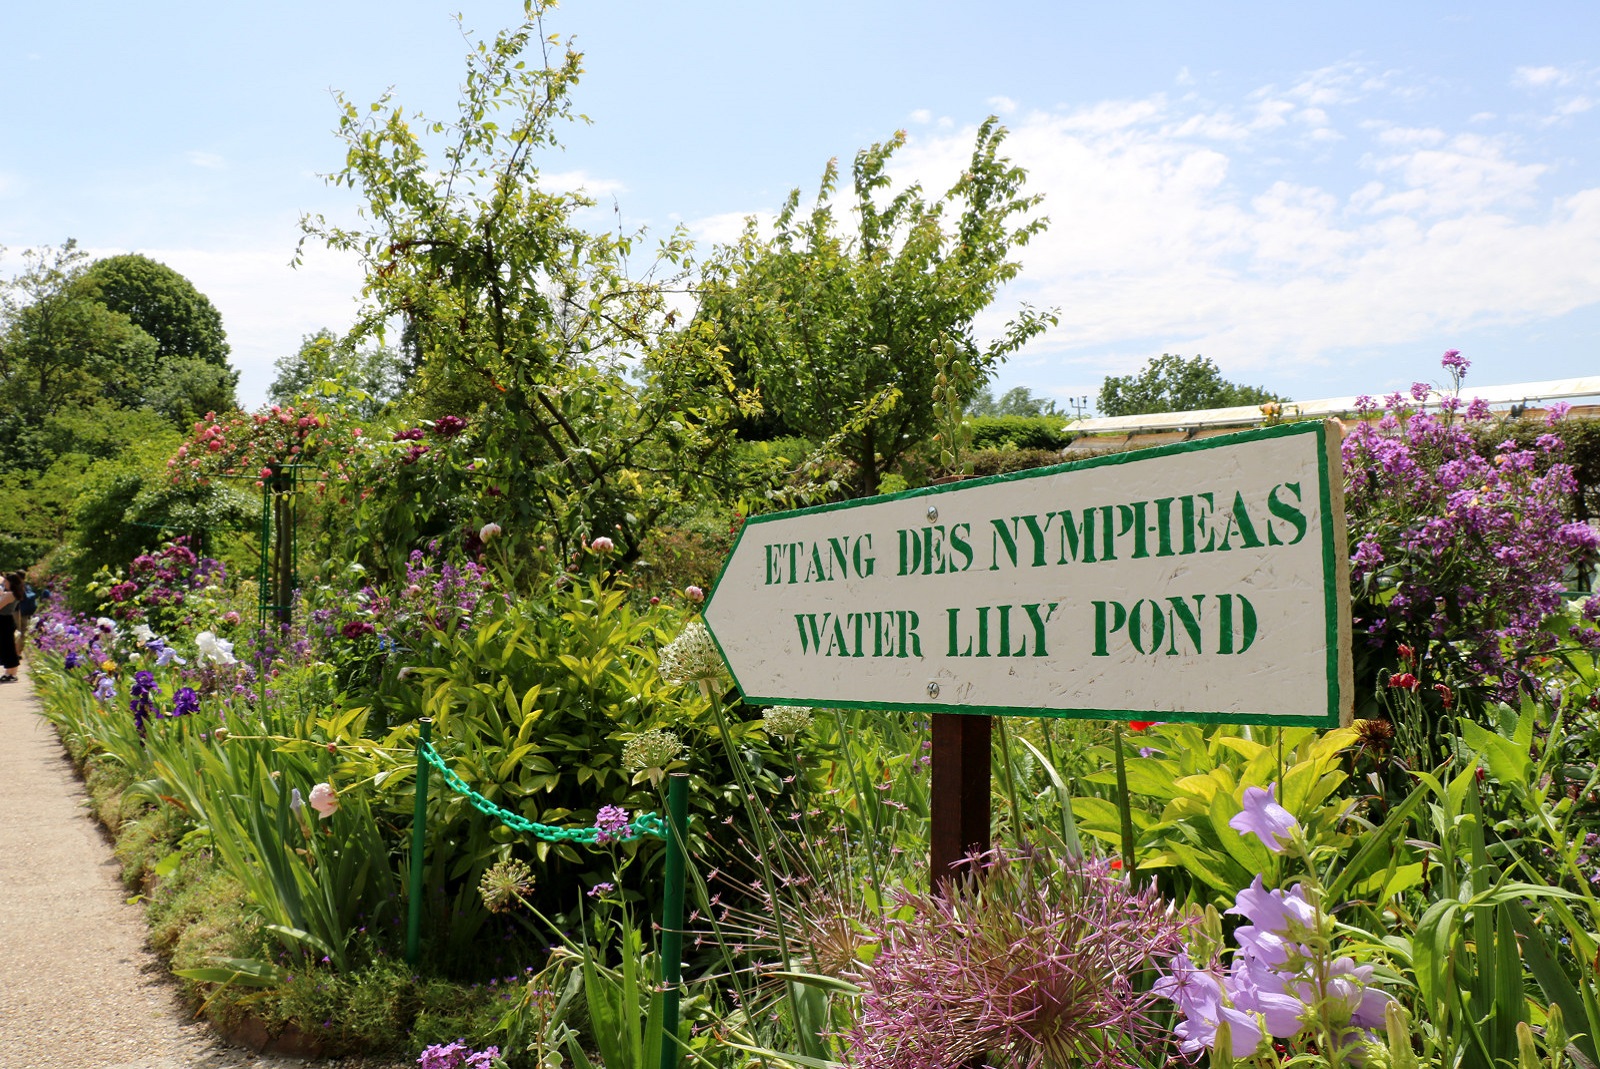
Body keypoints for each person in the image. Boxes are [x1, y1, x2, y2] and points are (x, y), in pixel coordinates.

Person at [0, 573, 20, 682]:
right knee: (7, 647)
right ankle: (9, 672)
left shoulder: (10, 594)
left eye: (6, 581)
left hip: (4, 621)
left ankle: (12, 673)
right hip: (6, 621)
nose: (4, 583)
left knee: (8, 648)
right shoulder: (12, 594)